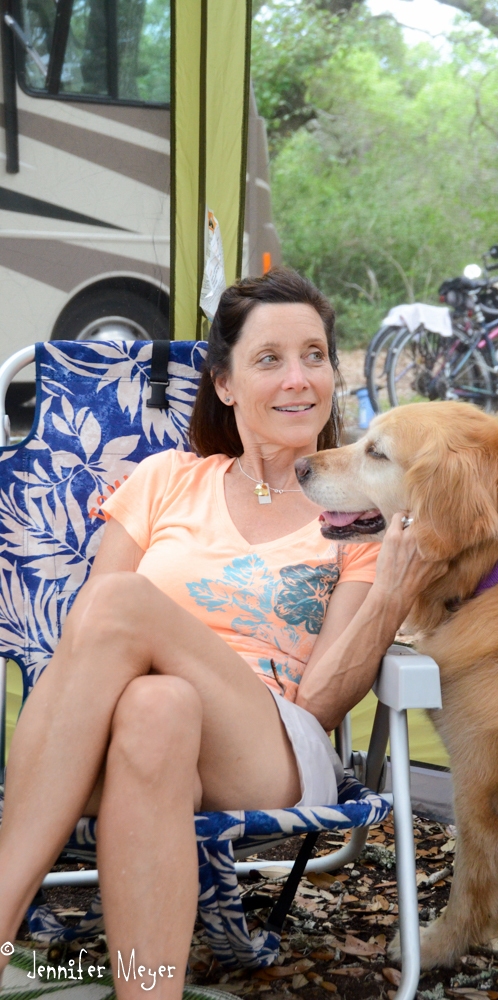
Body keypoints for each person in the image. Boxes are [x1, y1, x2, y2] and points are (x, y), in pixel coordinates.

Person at [0, 268, 435, 999]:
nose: (300, 379)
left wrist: (390, 593)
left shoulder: (356, 516)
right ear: (226, 384)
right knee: (155, 706)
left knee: (120, 604)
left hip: (268, 744)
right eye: (269, 359)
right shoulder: (166, 479)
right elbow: (84, 644)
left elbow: (323, 702)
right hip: (122, 735)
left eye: (315, 355)